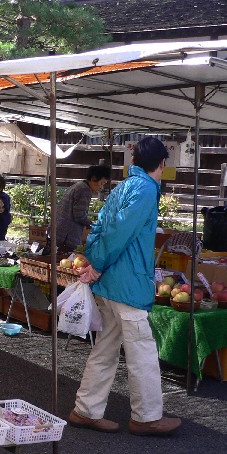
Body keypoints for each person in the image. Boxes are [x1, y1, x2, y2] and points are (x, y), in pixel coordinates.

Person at [69, 136, 182, 437]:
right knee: (142, 351)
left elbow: (103, 227)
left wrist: (95, 263)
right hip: (127, 282)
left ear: (133, 162)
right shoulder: (146, 188)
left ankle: (86, 410)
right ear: (161, 163)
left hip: (111, 282)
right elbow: (120, 232)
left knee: (105, 349)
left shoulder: (124, 186)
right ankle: (146, 417)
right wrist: (98, 265)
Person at [53, 164, 111, 252]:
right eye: (102, 183)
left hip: (59, 231)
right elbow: (79, 216)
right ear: (94, 178)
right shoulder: (84, 190)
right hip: (66, 235)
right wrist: (95, 226)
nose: (101, 187)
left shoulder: (79, 186)